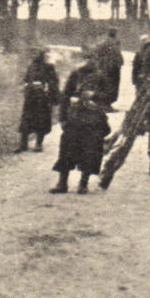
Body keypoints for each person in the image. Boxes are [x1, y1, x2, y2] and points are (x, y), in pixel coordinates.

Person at [52, 55, 110, 194]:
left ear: (95, 61)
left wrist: (94, 95)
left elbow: (109, 96)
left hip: (93, 120)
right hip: (75, 118)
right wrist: (62, 118)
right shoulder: (75, 74)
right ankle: (62, 183)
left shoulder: (101, 77)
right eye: (85, 58)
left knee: (90, 151)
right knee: (66, 149)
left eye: (91, 58)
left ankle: (83, 183)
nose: (88, 62)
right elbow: (65, 96)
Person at [16, 48, 60, 153]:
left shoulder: (49, 67)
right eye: (33, 54)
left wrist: (46, 88)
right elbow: (26, 79)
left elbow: (53, 82)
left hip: (42, 98)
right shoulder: (31, 66)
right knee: (26, 120)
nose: (34, 56)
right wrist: (26, 85)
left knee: (41, 120)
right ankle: (23, 144)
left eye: (36, 54)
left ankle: (39, 144)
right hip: (31, 97)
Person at [92, 29, 124, 107]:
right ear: (115, 34)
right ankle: (106, 103)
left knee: (108, 85)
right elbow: (118, 56)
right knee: (112, 86)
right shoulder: (113, 44)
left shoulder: (105, 43)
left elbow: (96, 54)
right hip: (112, 68)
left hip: (108, 68)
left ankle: (105, 103)